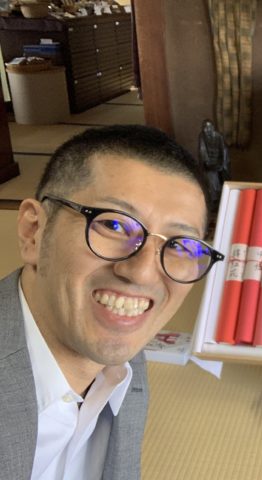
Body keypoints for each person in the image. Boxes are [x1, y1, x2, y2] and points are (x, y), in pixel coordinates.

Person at [0, 125, 224, 479]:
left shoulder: (126, 368)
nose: (144, 273)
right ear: (34, 232)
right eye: (115, 226)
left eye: (180, 245)